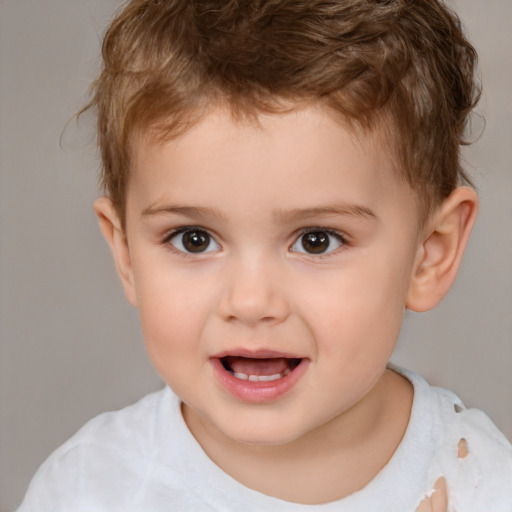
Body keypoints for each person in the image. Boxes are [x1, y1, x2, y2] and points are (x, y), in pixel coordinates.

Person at [17, 0, 512, 510]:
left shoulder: (483, 487)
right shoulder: (88, 489)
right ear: (125, 255)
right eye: (194, 239)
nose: (251, 302)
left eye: (317, 240)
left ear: (430, 253)